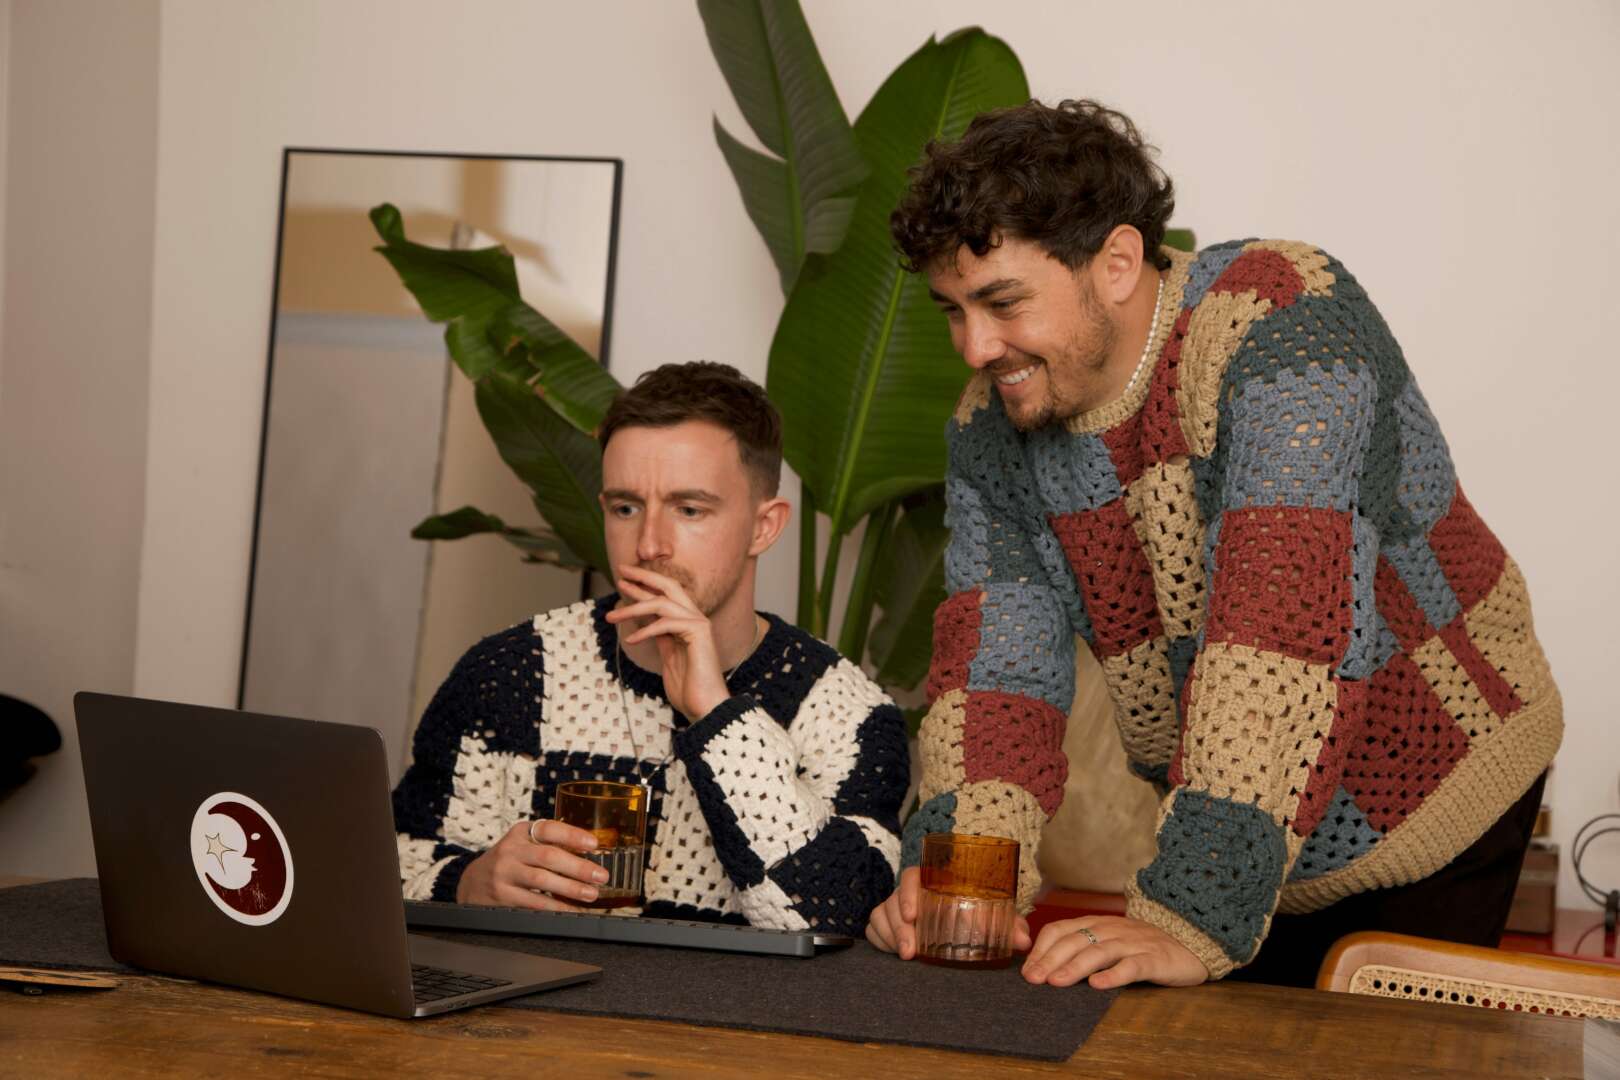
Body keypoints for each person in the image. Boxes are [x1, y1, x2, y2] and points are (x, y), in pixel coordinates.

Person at [865, 99, 1561, 989]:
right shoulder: (991, 429)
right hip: (1242, 820)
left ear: (1117, 262)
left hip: (1437, 776)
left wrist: (1193, 915)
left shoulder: (1285, 324)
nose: (974, 346)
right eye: (953, 311)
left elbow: (1277, 644)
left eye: (1002, 303)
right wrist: (962, 886)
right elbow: (997, 678)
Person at [393, 362, 908, 933]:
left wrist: (715, 712)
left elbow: (830, 917)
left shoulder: (844, 711)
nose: (648, 545)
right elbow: (382, 870)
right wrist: (466, 882)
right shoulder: (512, 672)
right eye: (626, 508)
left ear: (764, 527)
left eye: (689, 510)